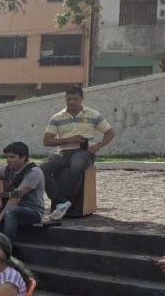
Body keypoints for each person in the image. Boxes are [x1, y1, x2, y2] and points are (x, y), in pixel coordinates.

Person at [40, 85, 115, 223]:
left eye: (75, 99)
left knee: (76, 165)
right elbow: (47, 140)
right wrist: (70, 139)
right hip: (63, 151)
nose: (72, 102)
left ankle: (68, 201)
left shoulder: (93, 114)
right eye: (69, 99)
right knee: (41, 169)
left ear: (82, 99)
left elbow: (110, 133)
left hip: (85, 151)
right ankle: (60, 201)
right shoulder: (57, 117)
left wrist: (98, 146)